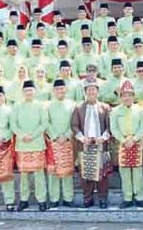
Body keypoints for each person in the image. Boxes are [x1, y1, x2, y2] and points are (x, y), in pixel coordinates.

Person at [72, 78, 112, 209]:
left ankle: (102, 199)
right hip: (85, 145)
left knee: (102, 175)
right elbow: (74, 125)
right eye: (89, 90)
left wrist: (104, 137)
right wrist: (82, 137)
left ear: (98, 92)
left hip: (101, 144)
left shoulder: (105, 107)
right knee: (86, 175)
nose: (91, 92)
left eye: (94, 90)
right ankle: (88, 198)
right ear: (85, 92)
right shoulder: (78, 108)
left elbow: (109, 126)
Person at [110, 80, 143, 209]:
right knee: (125, 171)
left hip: (137, 142)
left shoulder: (140, 110)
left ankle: (139, 197)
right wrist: (123, 139)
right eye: (124, 95)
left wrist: (135, 138)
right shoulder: (115, 111)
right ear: (120, 97)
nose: (127, 97)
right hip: (123, 143)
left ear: (133, 96)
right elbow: (114, 128)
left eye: (129, 95)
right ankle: (127, 197)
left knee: (137, 171)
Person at [11, 80, 49, 211]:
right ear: (23, 92)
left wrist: (32, 136)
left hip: (37, 143)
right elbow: (13, 124)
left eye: (31, 90)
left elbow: (44, 123)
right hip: (22, 144)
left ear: (35, 91)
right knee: (23, 175)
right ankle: (24, 199)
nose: (28, 93)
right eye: (26, 90)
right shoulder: (17, 106)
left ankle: (42, 200)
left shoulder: (41, 106)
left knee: (39, 174)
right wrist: (22, 135)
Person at [45, 79, 77, 208]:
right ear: (53, 91)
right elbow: (46, 122)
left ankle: (68, 198)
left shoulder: (72, 105)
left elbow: (75, 122)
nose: (60, 91)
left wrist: (67, 135)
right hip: (53, 141)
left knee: (67, 170)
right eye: (57, 89)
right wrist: (56, 136)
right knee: (53, 171)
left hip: (68, 141)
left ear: (66, 90)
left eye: (62, 89)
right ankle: (54, 198)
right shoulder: (47, 106)